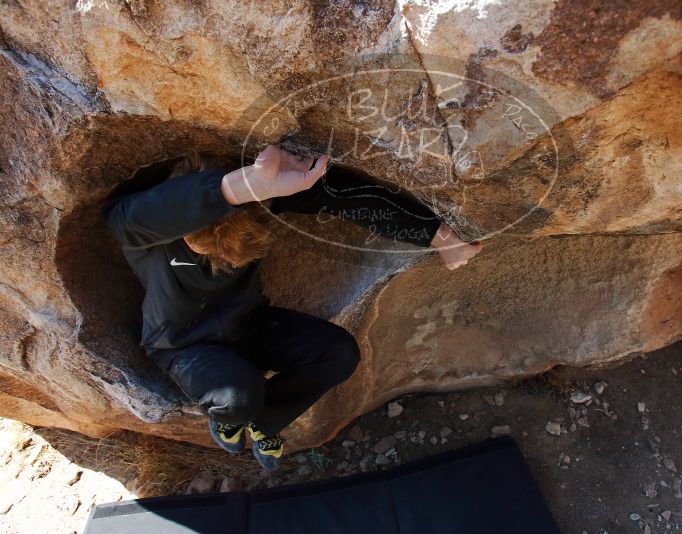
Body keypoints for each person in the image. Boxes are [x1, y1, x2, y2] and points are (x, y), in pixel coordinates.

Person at [102, 145, 482, 471]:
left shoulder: (259, 207)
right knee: (237, 398)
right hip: (183, 344)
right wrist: (243, 184)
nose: (219, 263)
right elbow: (151, 211)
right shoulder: (138, 229)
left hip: (249, 324)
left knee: (338, 353)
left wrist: (435, 234)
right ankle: (233, 417)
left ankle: (265, 423)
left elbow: (343, 196)